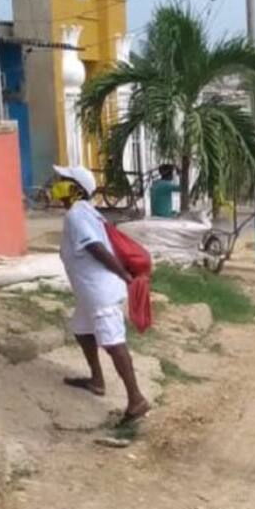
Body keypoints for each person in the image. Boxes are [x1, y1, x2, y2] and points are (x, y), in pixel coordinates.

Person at [55, 165, 150, 427]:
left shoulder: (77, 214)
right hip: (90, 292)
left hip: (100, 291)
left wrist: (124, 275)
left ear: (76, 189)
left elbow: (95, 247)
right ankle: (96, 380)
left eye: (63, 181)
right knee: (82, 329)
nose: (56, 185)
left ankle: (136, 398)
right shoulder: (85, 212)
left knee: (113, 342)